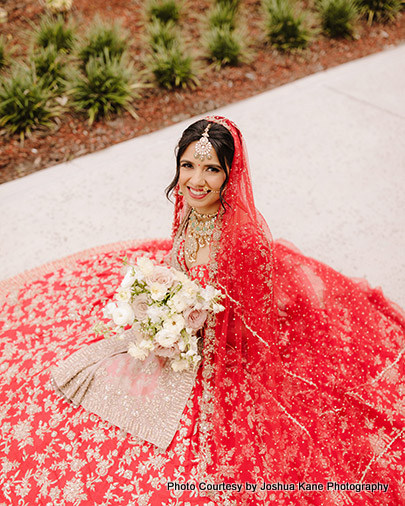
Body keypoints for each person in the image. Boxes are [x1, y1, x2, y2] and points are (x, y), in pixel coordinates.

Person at [0, 116, 404, 506]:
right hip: (183, 320)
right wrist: (161, 303)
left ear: (231, 173)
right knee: (83, 372)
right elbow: (181, 263)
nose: (196, 181)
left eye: (211, 169)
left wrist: (185, 326)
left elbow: (250, 325)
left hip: (222, 342)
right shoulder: (191, 207)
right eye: (187, 165)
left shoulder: (243, 241)